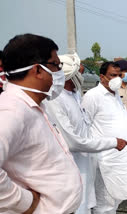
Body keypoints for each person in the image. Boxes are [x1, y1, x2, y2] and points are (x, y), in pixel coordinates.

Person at [0, 34, 82, 214]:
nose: (59, 73)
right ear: (37, 70)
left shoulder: (34, 105)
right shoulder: (12, 111)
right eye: (56, 66)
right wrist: (23, 202)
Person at [43, 53, 127, 214]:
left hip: (89, 160)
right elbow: (73, 141)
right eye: (81, 73)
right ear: (70, 74)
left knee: (91, 203)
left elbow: (86, 128)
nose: (83, 77)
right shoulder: (56, 100)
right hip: (74, 164)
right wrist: (112, 142)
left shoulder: (76, 94)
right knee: (83, 205)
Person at [82, 61, 127, 214]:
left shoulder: (115, 94)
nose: (117, 78)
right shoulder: (92, 96)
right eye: (112, 75)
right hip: (105, 158)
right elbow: (84, 127)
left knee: (116, 198)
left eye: (119, 75)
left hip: (121, 158)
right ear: (102, 77)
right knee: (104, 201)